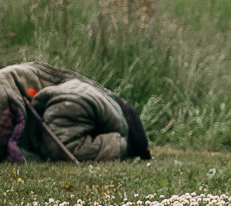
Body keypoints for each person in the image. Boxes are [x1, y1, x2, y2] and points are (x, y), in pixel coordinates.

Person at [0, 61, 151, 163]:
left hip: (108, 111)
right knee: (54, 141)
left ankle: (121, 145)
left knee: (60, 144)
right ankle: (122, 144)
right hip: (96, 103)